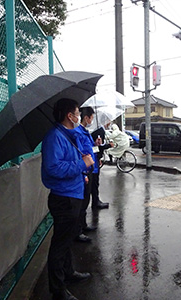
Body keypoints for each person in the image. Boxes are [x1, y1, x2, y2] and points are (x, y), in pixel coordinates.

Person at [41, 98, 94, 300]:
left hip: (73, 193)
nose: (79, 116)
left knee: (66, 239)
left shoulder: (67, 135)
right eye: (77, 112)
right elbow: (53, 168)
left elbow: (68, 162)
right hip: (64, 199)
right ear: (69, 116)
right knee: (59, 245)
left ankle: (69, 272)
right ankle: (58, 290)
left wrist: (82, 173)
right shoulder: (55, 137)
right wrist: (82, 165)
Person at [74, 107, 102, 243]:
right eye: (91, 117)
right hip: (85, 170)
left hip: (91, 168)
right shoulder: (78, 133)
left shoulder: (85, 132)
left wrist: (96, 144)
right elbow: (81, 153)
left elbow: (90, 149)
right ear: (86, 118)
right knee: (82, 201)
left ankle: (83, 225)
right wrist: (84, 172)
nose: (91, 120)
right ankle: (78, 231)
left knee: (86, 200)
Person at [90, 122, 113, 209]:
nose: (110, 122)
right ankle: (95, 202)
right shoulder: (99, 131)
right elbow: (97, 147)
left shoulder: (98, 130)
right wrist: (108, 145)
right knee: (94, 183)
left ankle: (96, 201)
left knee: (95, 182)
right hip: (93, 161)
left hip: (95, 159)